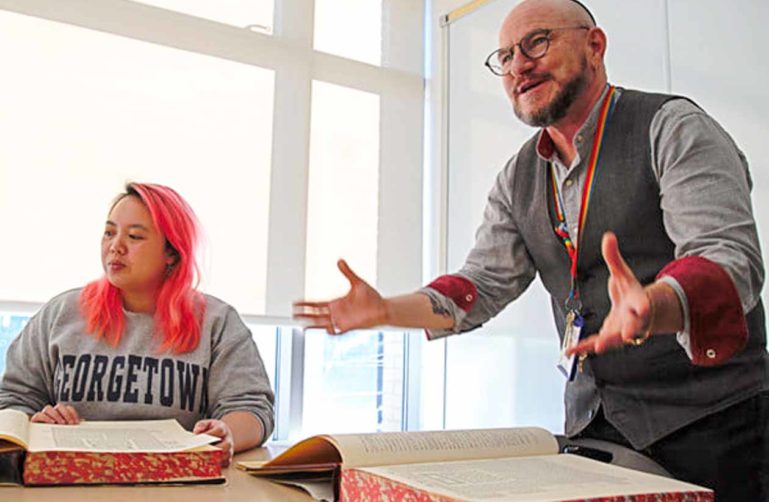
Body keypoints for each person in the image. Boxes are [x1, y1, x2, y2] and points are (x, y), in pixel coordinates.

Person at [295, 0, 769, 499]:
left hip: (715, 426)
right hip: (596, 429)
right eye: (505, 56)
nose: (519, 64)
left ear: (595, 45)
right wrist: (389, 310)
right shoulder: (517, 176)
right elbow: (479, 284)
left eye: (537, 42)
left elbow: (727, 257)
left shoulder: (671, 127)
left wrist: (655, 305)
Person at [0, 182, 274, 467]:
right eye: (109, 233)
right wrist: (36, 422)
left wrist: (227, 432)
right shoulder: (60, 314)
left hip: (181, 484)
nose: (115, 246)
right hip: (71, 480)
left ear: (172, 252)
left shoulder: (217, 322)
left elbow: (251, 408)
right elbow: (13, 398)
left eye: (134, 236)